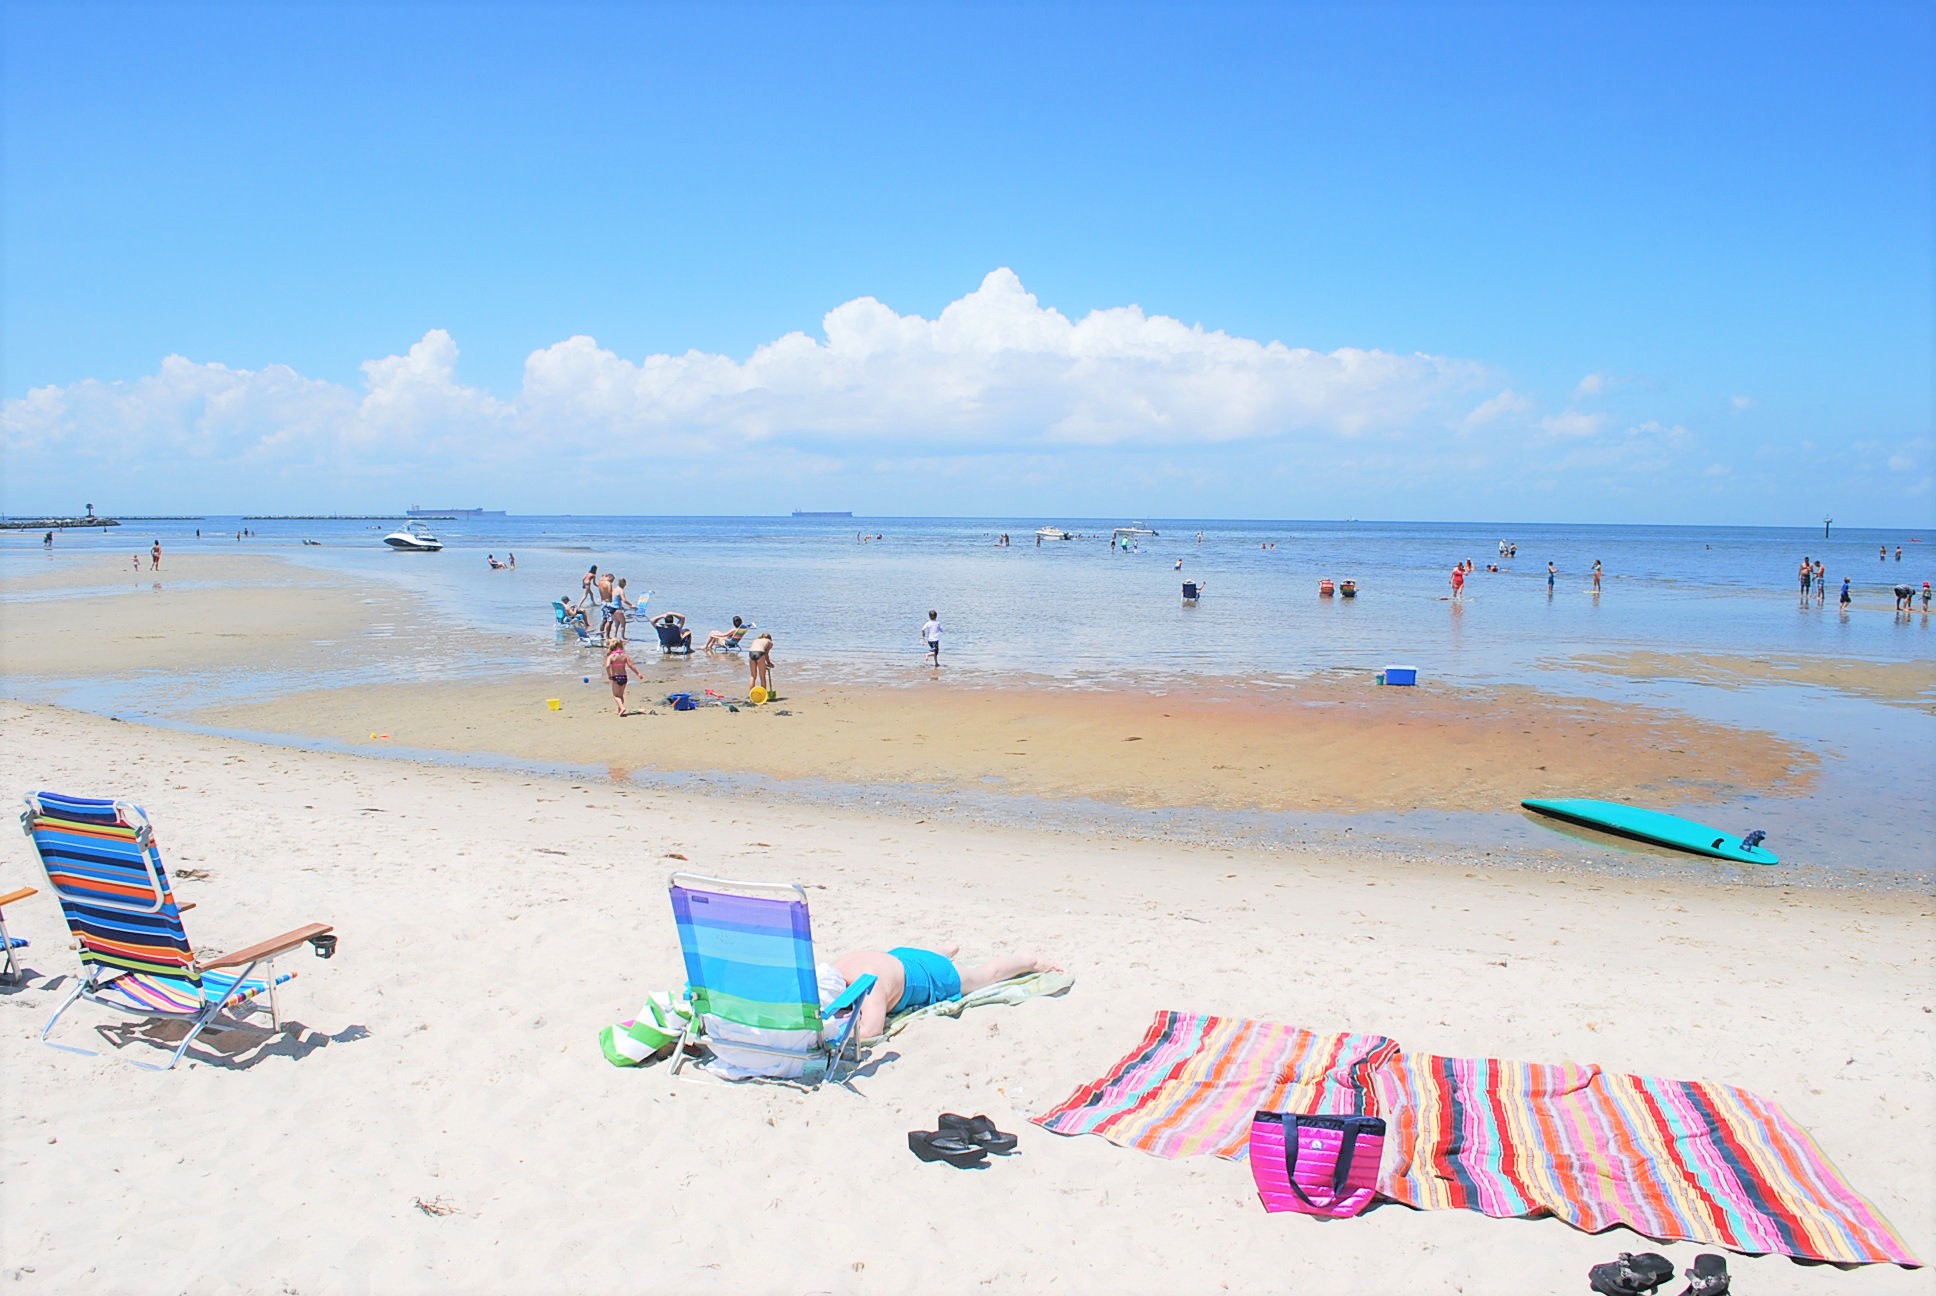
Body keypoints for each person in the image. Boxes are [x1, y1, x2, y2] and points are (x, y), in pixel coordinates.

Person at [822, 945, 1063, 1041]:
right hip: (899, 956)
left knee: (982, 977)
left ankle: (1028, 960)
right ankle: (941, 953)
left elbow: (871, 1030)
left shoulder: (869, 985)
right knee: (919, 962)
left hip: (931, 976)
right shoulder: (835, 969)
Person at [604, 639, 642, 716]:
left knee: (615, 696)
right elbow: (631, 665)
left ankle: (621, 708)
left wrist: (609, 675)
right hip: (624, 677)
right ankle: (619, 711)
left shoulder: (611, 656)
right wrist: (638, 673)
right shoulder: (624, 656)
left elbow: (607, 666)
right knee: (621, 695)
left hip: (616, 677)